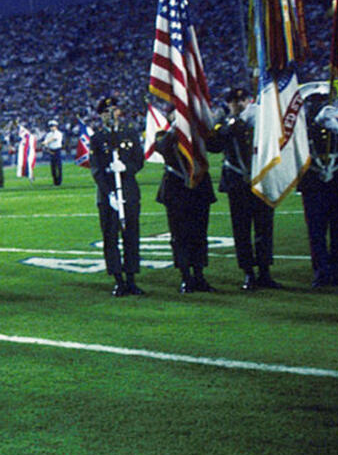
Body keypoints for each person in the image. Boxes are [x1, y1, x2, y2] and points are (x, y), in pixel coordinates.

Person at [204, 87, 280, 290]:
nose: (238, 104)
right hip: (237, 182)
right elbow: (213, 146)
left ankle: (265, 271)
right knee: (242, 230)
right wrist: (218, 124)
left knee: (264, 227)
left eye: (242, 100)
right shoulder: (227, 125)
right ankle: (248, 273)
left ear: (250, 100)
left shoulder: (262, 121)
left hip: (261, 179)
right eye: (233, 102)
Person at [298, 91, 338, 289]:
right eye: (314, 101)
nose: (319, 104)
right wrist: (316, 126)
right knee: (317, 231)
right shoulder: (303, 126)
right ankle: (321, 273)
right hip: (313, 183)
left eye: (323, 100)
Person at [154, 113, 216, 293]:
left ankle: (199, 275)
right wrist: (175, 129)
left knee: (199, 234)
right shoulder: (165, 134)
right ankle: (185, 277)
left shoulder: (199, 130)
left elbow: (215, 146)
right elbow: (161, 147)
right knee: (180, 236)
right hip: (176, 190)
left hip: (199, 188)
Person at [89, 96, 144, 297]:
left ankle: (131, 278)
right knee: (110, 238)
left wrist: (126, 168)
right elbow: (95, 169)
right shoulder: (97, 138)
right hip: (108, 195)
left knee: (131, 236)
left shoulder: (129, 133)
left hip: (129, 192)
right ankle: (118, 280)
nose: (110, 115)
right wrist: (108, 192)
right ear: (101, 115)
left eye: (113, 110)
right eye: (105, 112)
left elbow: (139, 160)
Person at [43, 119, 64, 186]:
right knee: (53, 167)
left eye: (53, 126)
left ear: (56, 126)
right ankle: (55, 181)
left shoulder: (59, 133)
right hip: (51, 151)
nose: (52, 127)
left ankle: (59, 181)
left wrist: (46, 142)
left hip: (57, 150)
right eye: (51, 126)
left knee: (59, 167)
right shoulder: (48, 134)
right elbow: (46, 143)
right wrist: (46, 146)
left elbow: (54, 138)